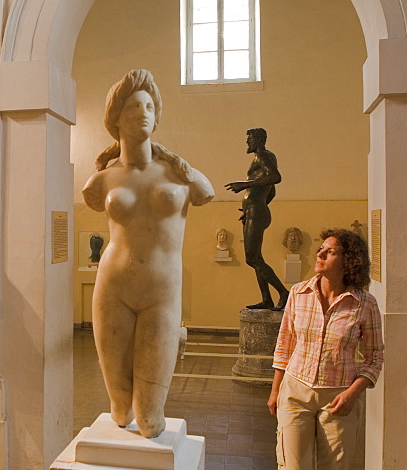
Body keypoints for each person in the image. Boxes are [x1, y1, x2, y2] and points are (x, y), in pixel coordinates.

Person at [82, 69, 214, 438]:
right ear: (116, 119)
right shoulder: (101, 181)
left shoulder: (180, 176)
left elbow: (206, 192)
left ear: (157, 116)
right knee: (120, 410)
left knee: (149, 417)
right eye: (134, 106)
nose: (143, 112)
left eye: (149, 106)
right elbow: (93, 196)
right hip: (113, 285)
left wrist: (178, 166)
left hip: (161, 289)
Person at [267, 228, 384, 470]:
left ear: (349, 261)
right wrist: (275, 390)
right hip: (295, 391)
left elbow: (375, 356)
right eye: (321, 250)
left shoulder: (365, 303)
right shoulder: (298, 294)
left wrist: (353, 393)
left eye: (329, 252)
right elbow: (284, 344)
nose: (319, 255)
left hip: (339, 399)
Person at [225, 128, 290, 310]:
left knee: (252, 258)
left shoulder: (264, 156)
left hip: (257, 211)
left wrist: (245, 185)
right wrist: (254, 205)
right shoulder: (263, 158)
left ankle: (284, 293)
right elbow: (272, 189)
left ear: (259, 139)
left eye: (250, 139)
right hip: (254, 211)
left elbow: (275, 178)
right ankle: (266, 299)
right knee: (256, 257)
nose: (247, 142)